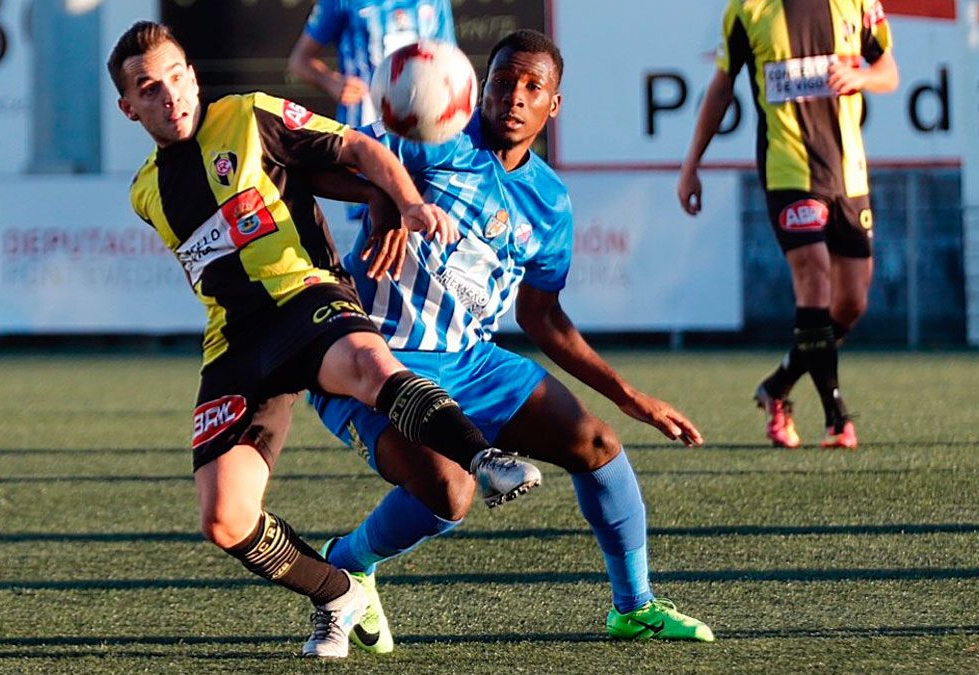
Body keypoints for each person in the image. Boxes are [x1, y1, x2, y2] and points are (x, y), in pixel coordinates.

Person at [106, 20, 542, 659]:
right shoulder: (145, 192)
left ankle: (483, 460)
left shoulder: (249, 115)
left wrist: (406, 201)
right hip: (235, 344)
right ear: (129, 107)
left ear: (193, 76)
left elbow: (357, 150)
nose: (168, 95)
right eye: (149, 89)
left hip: (307, 295)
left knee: (368, 365)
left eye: (175, 77)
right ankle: (337, 592)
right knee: (224, 519)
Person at [306, 29, 715, 653]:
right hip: (370, 359)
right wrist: (382, 194)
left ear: (555, 105)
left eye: (533, 87)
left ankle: (634, 607)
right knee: (451, 491)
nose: (514, 98)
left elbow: (543, 317)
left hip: (470, 362)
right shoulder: (428, 140)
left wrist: (631, 396)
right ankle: (349, 561)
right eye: (503, 83)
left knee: (598, 444)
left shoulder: (551, 201)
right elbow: (313, 170)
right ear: (479, 88)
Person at [678, 0, 899, 449]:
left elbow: (888, 71)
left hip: (848, 174)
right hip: (788, 172)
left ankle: (777, 386)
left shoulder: (857, 4)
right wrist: (691, 165)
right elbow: (720, 89)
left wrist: (861, 77)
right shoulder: (747, 10)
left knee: (851, 303)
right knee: (814, 276)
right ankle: (837, 418)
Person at [288, 0, 456, 130]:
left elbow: (450, 61)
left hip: (420, 129)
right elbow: (299, 60)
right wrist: (331, 82)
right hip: (363, 130)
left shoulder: (436, 2)